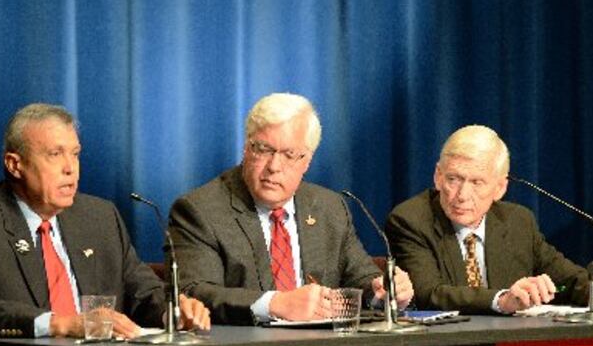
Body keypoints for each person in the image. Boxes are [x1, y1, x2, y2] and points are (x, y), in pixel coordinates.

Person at [0, 103, 210, 338]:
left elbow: (143, 291)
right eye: (55, 154)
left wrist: (174, 310)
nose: (70, 168)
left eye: (75, 154)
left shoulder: (99, 217)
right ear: (15, 165)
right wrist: (60, 324)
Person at [166, 92, 414, 325]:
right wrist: (275, 304)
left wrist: (385, 290)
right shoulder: (201, 210)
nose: (274, 166)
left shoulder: (329, 208)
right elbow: (193, 293)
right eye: (264, 149)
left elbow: (361, 278)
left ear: (307, 161)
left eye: (289, 154)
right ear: (246, 148)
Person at [385, 124, 593, 314]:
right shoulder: (411, 220)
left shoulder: (517, 221)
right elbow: (430, 294)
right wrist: (502, 300)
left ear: (500, 188)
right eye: (453, 179)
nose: (462, 195)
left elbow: (566, 279)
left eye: (477, 183)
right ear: (438, 176)